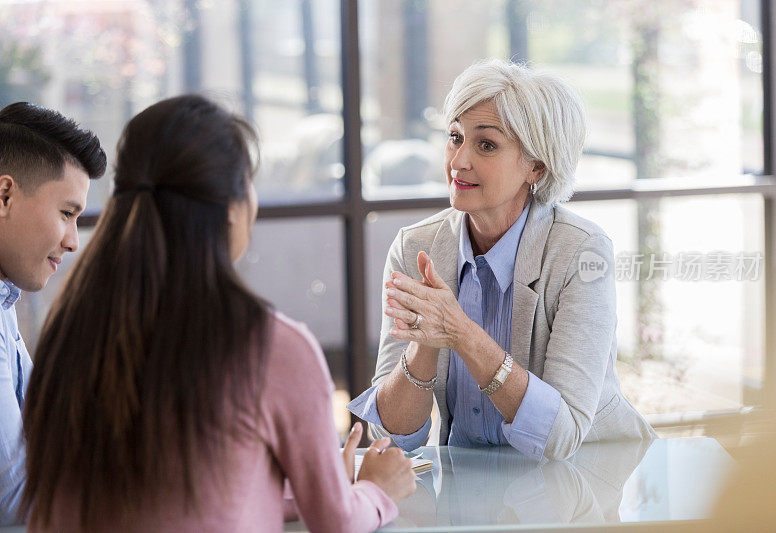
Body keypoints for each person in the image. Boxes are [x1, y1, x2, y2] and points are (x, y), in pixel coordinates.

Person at [21, 95, 415, 532]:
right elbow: (337, 520)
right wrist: (376, 489)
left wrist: (306, 485)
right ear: (231, 209)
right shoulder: (272, 347)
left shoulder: (68, 332)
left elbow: (179, 499)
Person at [348, 59, 655, 462]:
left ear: (536, 167)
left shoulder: (581, 251)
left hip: (589, 477)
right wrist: (425, 343)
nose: (459, 161)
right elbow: (394, 437)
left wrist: (461, 333)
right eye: (455, 137)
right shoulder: (415, 247)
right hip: (470, 483)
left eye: (486, 144)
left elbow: (560, 438)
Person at [0, 102, 106, 524]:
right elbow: (13, 498)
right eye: (67, 214)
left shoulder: (5, 299)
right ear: (4, 194)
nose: (73, 242)